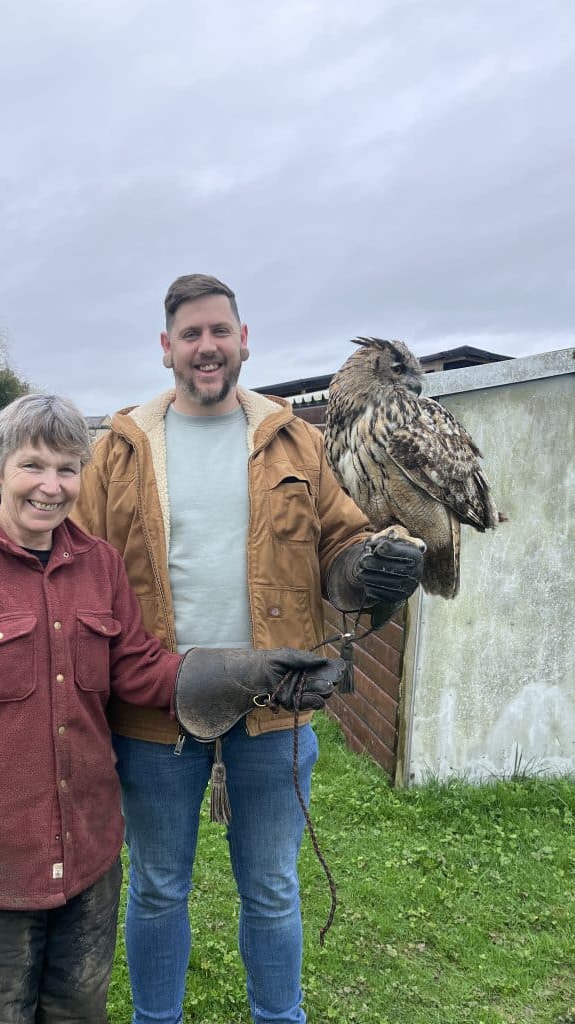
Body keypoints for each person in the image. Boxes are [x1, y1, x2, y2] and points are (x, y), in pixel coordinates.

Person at [0, 391, 347, 1024]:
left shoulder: (98, 565)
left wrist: (251, 674)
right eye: (32, 466)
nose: (51, 486)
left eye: (68, 468)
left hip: (89, 868)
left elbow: (137, 667)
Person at [72, 275, 425, 1024]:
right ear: (167, 348)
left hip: (275, 705)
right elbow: (79, 566)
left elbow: (342, 543)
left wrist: (370, 567)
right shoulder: (120, 449)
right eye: (191, 334)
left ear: (244, 340)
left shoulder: (299, 439)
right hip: (153, 708)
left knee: (272, 888)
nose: (208, 347)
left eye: (219, 332)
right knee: (158, 886)